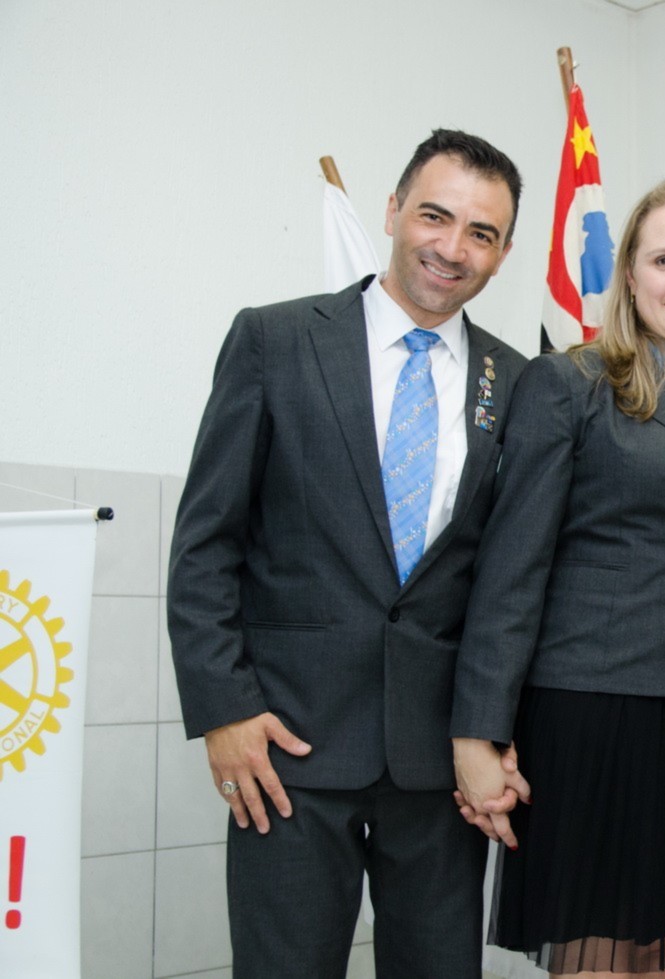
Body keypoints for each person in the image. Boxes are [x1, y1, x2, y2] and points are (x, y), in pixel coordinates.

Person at [167, 129, 529, 978]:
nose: (453, 247)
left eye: (481, 232)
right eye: (435, 216)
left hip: (438, 763)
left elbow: (510, 579)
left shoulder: (519, 383)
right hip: (286, 749)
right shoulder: (275, 340)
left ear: (504, 253)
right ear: (393, 210)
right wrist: (223, 710)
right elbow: (205, 544)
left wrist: (494, 730)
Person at [449, 179, 665, 978]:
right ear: (629, 277)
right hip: (599, 714)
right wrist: (478, 732)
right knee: (604, 964)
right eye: (664, 260)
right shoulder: (570, 383)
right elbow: (513, 569)